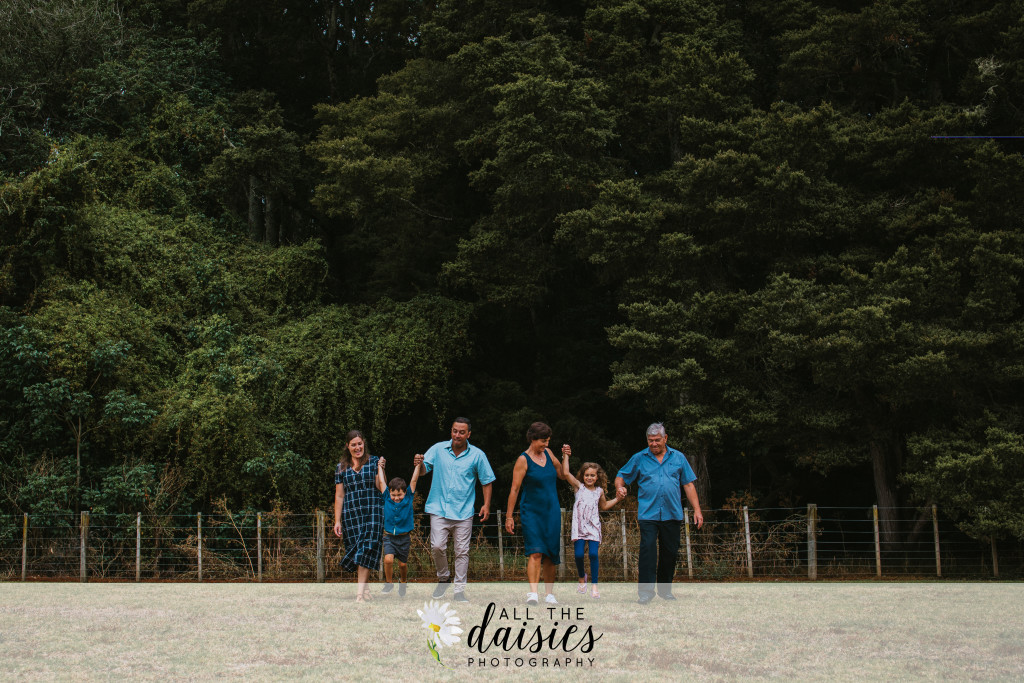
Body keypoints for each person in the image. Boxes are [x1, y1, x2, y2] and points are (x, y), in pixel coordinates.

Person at [615, 423, 704, 604]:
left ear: (665, 438)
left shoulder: (678, 457)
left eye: (657, 440)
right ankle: (646, 593)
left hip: (672, 513)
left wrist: (697, 510)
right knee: (647, 552)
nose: (654, 444)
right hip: (648, 514)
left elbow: (688, 484)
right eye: (650, 440)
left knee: (669, 553)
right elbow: (621, 475)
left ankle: (665, 591)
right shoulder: (639, 458)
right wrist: (619, 487)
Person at [414, 417, 495, 603]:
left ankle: (459, 591)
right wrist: (419, 464)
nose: (457, 435)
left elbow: (487, 481)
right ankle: (444, 578)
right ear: (451, 431)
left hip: (463, 511)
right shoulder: (438, 449)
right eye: (454, 431)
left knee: (462, 551)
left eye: (461, 432)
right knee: (437, 546)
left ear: (468, 434)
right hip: (438, 508)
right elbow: (424, 470)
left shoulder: (477, 455)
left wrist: (486, 504)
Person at [505, 421, 567, 606]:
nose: (546, 444)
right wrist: (509, 516)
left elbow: (562, 475)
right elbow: (514, 489)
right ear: (532, 439)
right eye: (543, 441)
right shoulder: (523, 460)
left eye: (548, 441)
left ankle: (549, 594)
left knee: (551, 553)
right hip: (531, 512)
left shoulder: (548, 453)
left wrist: (565, 457)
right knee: (536, 552)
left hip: (552, 511)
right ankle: (533, 593)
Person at [562, 451, 626, 600]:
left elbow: (604, 506)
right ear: (582, 476)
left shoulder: (599, 491)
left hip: (593, 527)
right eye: (587, 475)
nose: (589, 478)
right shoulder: (578, 487)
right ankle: (581, 577)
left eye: (592, 475)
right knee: (578, 555)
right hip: (579, 527)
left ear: (597, 477)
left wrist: (617, 499)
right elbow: (565, 473)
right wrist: (566, 456)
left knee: (593, 554)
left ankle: (595, 586)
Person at [333, 429, 384, 603]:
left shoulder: (374, 461)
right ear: (347, 446)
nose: (357, 448)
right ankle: (366, 589)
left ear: (364, 443)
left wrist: (381, 469)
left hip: (373, 510)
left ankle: (359, 595)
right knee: (358, 551)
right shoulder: (341, 468)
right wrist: (337, 521)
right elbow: (339, 496)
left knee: (367, 548)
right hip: (351, 513)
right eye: (353, 445)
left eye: (360, 444)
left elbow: (381, 486)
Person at [376, 455, 420, 597]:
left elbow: (414, 480)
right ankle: (389, 583)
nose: (396, 497)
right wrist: (380, 466)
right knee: (388, 560)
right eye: (393, 494)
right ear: (389, 493)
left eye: (399, 494)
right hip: (389, 537)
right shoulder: (386, 498)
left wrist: (418, 465)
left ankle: (403, 582)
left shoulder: (408, 498)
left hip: (404, 538)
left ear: (404, 492)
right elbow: (381, 482)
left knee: (402, 565)